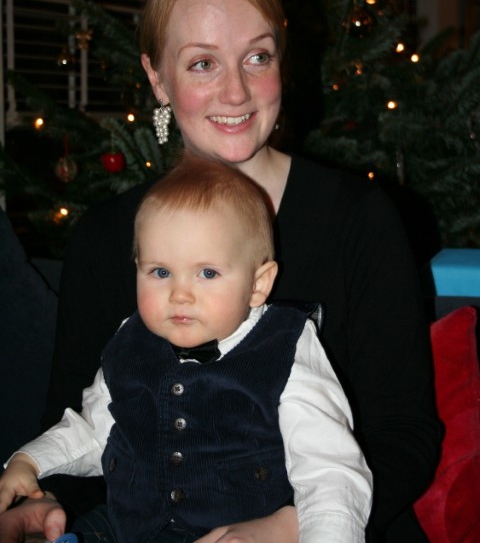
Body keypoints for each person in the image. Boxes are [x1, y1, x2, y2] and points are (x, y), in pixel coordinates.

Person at [0, 0, 441, 543]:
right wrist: (46, 502)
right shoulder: (105, 239)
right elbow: (91, 430)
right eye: (202, 63)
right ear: (157, 76)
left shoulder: (359, 219)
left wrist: (288, 527)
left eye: (257, 57)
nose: (236, 92)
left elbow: (405, 437)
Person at [0, 154, 373, 542]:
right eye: (160, 272)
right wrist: (30, 460)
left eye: (207, 273)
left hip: (240, 533)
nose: (180, 294)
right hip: (127, 527)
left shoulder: (285, 346)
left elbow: (329, 469)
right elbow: (95, 429)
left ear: (258, 284)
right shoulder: (130, 341)